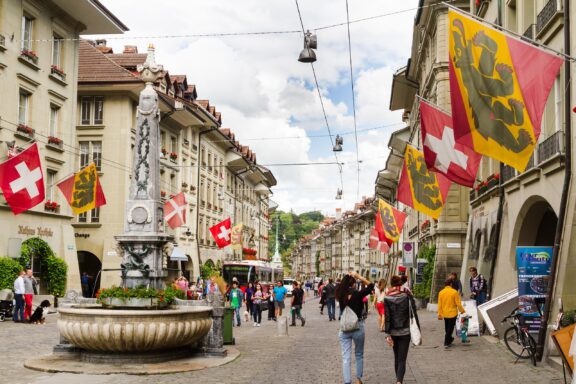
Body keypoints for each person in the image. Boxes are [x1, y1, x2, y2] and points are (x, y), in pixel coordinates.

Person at [336, 271, 373, 384]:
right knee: (359, 354)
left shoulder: (340, 295)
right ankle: (358, 379)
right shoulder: (358, 294)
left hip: (345, 328)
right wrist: (358, 276)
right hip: (358, 326)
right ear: (353, 284)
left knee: (346, 357)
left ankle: (347, 381)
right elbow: (371, 286)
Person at [384, 275, 420, 384]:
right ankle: (399, 381)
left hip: (394, 332)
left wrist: (387, 333)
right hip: (405, 331)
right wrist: (418, 328)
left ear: (391, 284)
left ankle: (398, 380)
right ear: (400, 284)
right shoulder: (407, 297)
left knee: (396, 356)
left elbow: (387, 317)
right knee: (402, 359)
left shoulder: (387, 298)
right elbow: (414, 313)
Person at [438, 278, 466, 348]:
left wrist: (440, 314)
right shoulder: (454, 292)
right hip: (453, 313)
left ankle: (450, 339)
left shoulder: (441, 292)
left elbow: (439, 304)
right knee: (450, 328)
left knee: (447, 328)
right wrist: (462, 311)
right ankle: (446, 342)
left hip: (445, 313)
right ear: (451, 284)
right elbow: (458, 303)